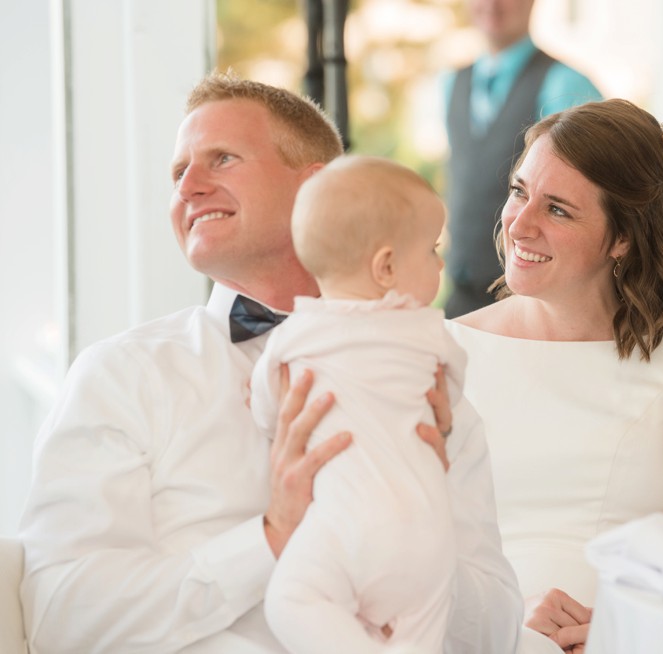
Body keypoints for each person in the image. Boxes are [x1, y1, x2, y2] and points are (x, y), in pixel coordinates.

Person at [18, 72, 522, 654]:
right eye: (178, 173)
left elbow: (495, 633)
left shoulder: (427, 387)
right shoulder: (122, 376)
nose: (188, 188)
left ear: (315, 188)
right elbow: (61, 617)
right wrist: (268, 539)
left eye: (222, 159)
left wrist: (420, 519)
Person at [445, 98, 663, 653]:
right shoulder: (445, 352)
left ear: (622, 238)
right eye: (520, 192)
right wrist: (496, 618)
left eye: (558, 209)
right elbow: (398, 549)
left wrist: (622, 625)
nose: (521, 222)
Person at [251, 155, 463, 654]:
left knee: (291, 599)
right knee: (420, 633)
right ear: (386, 267)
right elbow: (446, 397)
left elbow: (269, 412)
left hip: (348, 524)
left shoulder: (293, 338)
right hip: (429, 532)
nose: (440, 264)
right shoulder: (430, 333)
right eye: (432, 250)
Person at [443, 0, 602, 318]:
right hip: (460, 298)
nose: (491, 4)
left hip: (532, 303)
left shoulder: (566, 84)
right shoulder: (451, 83)